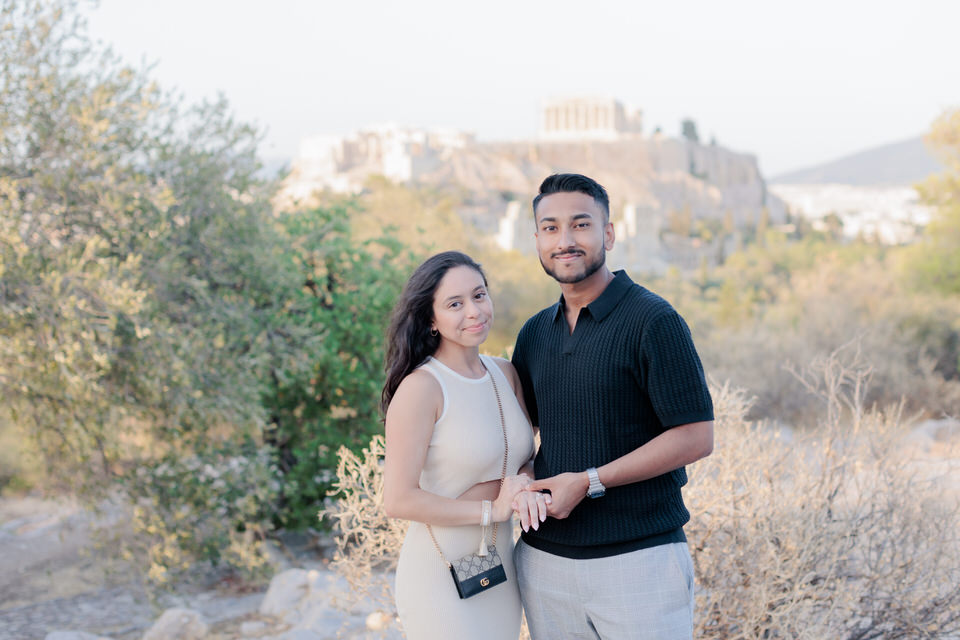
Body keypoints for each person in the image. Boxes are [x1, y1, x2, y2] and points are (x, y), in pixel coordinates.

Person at [511, 174, 715, 639]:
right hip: (544, 562)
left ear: (608, 233)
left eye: (581, 225)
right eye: (550, 228)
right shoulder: (534, 332)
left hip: (638, 560)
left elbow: (695, 436)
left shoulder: (653, 320)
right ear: (538, 239)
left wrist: (589, 482)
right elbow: (526, 433)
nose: (565, 241)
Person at [382, 251, 548, 640]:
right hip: (439, 572)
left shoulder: (505, 373)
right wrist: (494, 509)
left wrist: (524, 481)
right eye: (455, 304)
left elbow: (525, 456)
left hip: (500, 568)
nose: (474, 311)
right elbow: (398, 500)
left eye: (479, 295)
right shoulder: (422, 388)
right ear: (430, 319)